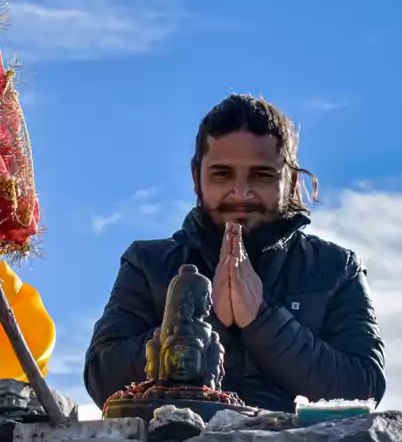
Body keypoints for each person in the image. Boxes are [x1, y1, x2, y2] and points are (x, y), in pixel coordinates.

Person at [84, 94, 386, 412]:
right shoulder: (148, 264)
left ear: (292, 180)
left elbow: (364, 387)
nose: (241, 193)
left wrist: (262, 319)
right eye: (222, 174)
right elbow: (102, 379)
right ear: (196, 178)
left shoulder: (336, 269)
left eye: (261, 175)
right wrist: (203, 319)